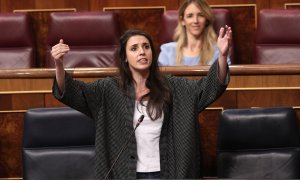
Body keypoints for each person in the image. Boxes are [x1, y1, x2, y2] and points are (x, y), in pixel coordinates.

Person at [51, 26, 232, 179]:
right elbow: (72, 92)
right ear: (124, 57)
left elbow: (209, 87)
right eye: (134, 48)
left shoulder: (174, 87)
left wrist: (222, 56)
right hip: (126, 174)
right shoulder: (108, 89)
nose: (142, 52)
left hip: (167, 173)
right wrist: (59, 64)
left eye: (146, 47)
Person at [158, 0, 231, 66]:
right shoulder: (167, 51)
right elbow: (157, 79)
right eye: (190, 16)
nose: (195, 21)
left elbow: (226, 78)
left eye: (200, 15)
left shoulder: (218, 51)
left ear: (207, 20)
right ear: (182, 20)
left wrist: (223, 55)